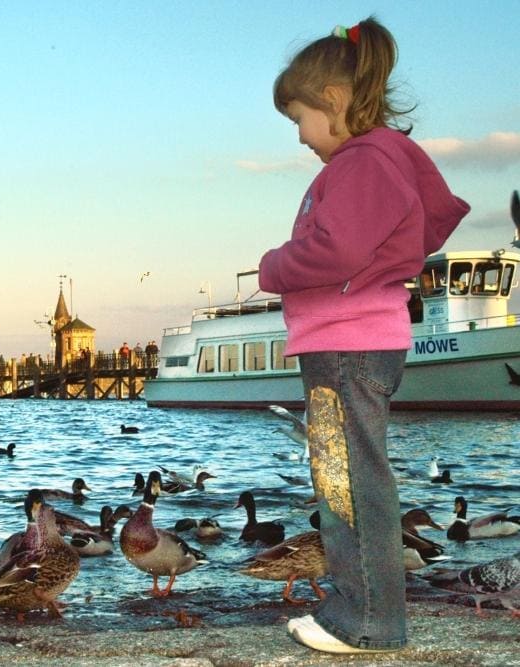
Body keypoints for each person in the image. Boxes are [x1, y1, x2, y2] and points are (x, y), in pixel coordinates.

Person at [258, 17, 469, 655]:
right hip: (363, 340)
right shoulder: (386, 159)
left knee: (348, 486)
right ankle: (364, 609)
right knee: (356, 480)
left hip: (343, 346)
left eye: (298, 117)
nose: (299, 136)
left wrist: (274, 265)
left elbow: (338, 249)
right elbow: (421, 222)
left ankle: (368, 620)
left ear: (333, 102)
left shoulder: (361, 162)